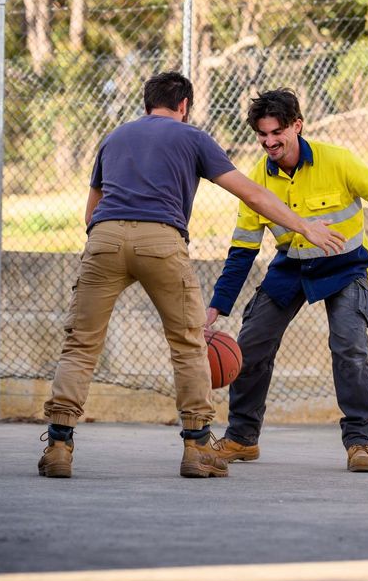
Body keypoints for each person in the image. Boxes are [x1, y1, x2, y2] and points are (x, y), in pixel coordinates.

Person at [39, 72, 346, 481]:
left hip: (105, 238)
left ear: (147, 103)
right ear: (183, 106)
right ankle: (198, 446)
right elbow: (251, 193)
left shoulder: (114, 138)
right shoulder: (193, 138)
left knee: (80, 344)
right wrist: (305, 227)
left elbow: (90, 214)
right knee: (187, 344)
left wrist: (111, 244)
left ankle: (59, 445)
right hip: (161, 240)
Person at [206, 88, 368, 473]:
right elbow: (242, 252)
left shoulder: (336, 160)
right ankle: (241, 437)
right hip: (291, 267)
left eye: (277, 133)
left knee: (349, 346)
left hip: (344, 267)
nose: (270, 142)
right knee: (251, 343)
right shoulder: (257, 178)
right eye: (262, 135)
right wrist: (217, 307)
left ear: (297, 126)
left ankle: (359, 444)